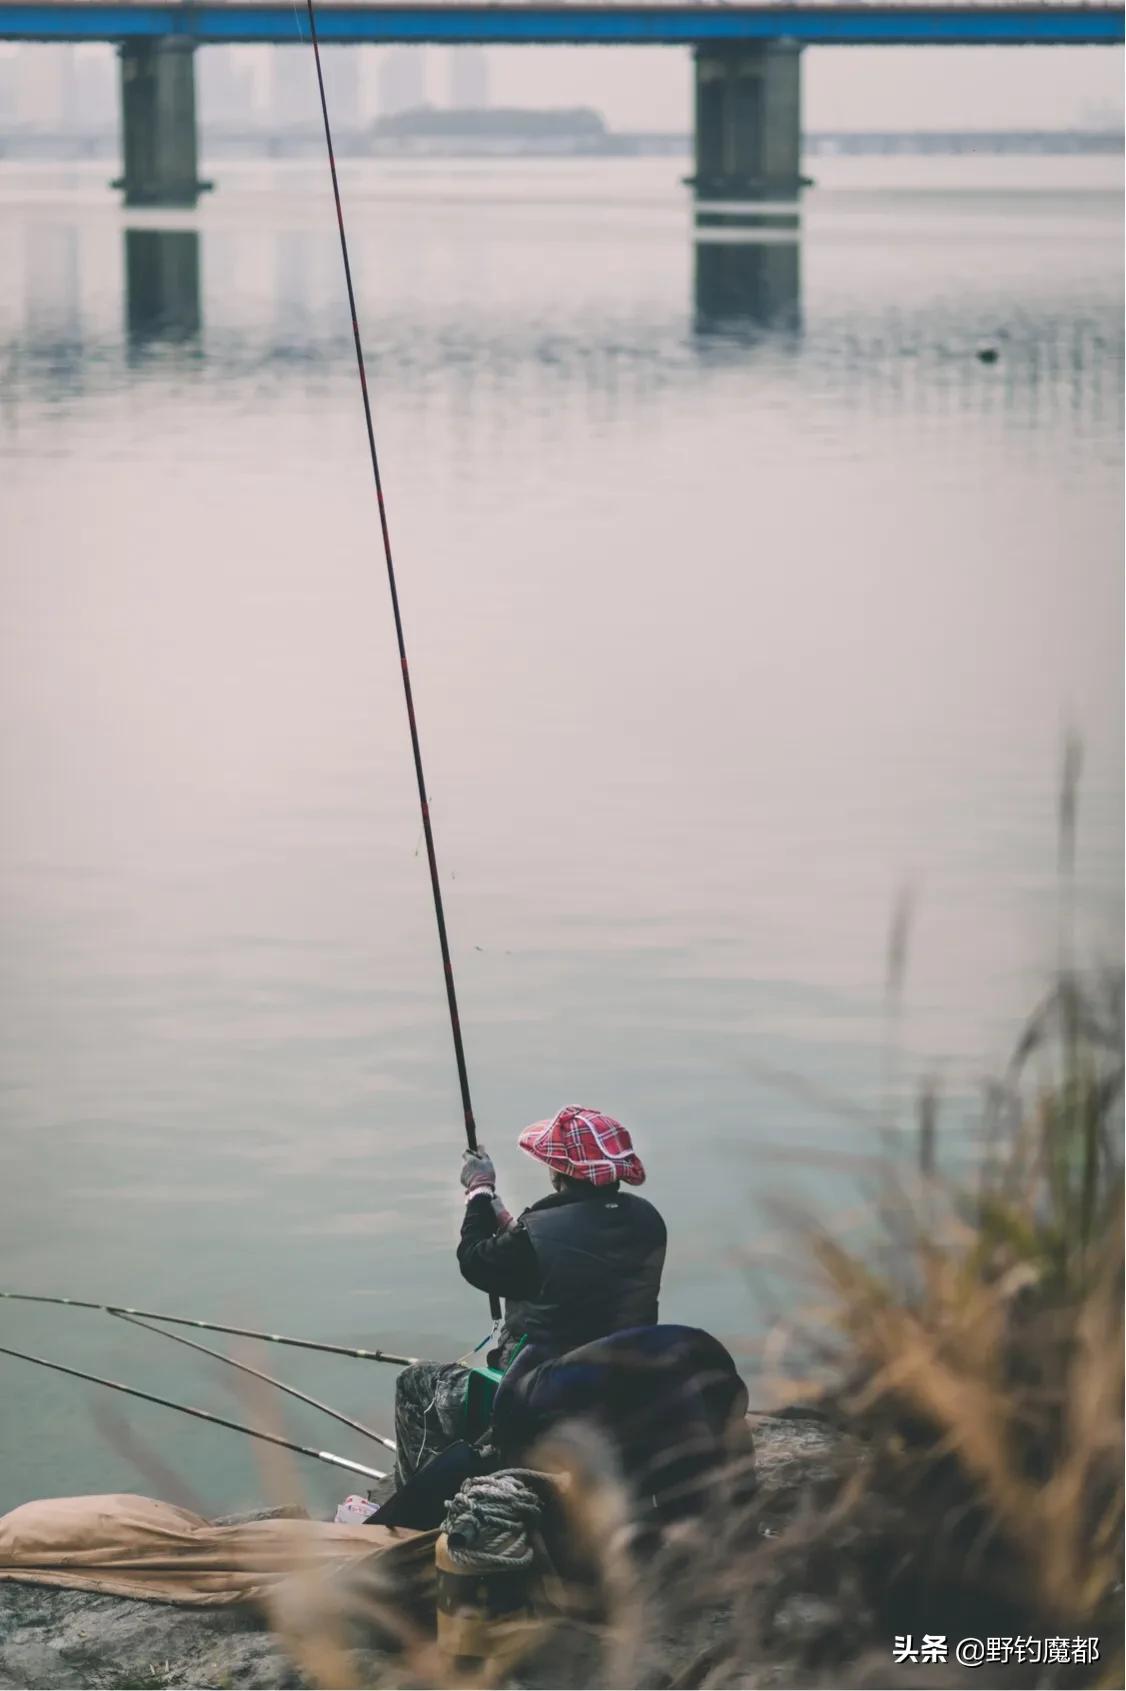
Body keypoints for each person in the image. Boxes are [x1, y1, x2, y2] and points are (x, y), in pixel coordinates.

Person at [392, 1106, 666, 1486]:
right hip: (621, 1377)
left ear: (561, 1172)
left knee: (414, 1383)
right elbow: (576, 1257)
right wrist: (506, 1220)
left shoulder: (535, 1239)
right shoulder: (647, 1220)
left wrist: (478, 1192)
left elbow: (475, 1262)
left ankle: (422, 1502)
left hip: (543, 1388)